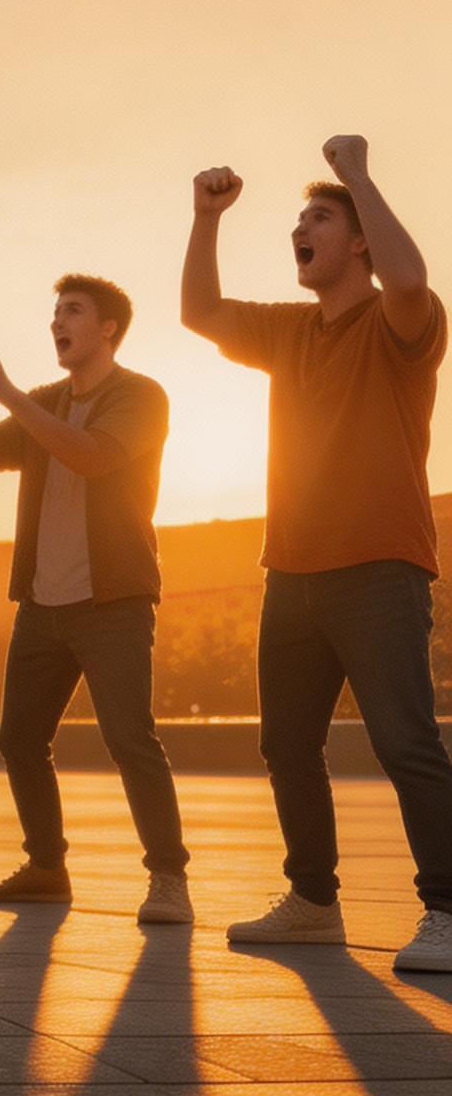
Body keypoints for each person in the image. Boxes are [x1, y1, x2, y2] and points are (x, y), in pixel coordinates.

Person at [182, 137, 452, 970]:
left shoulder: (401, 323)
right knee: (286, 745)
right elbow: (200, 313)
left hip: (379, 566)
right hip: (290, 572)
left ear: (359, 238)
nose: (301, 228)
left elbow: (410, 280)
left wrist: (360, 175)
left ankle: (446, 909)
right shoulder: (289, 331)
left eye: (320, 218)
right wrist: (204, 219)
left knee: (406, 742)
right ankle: (311, 901)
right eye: (299, 218)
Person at [0, 276, 191, 924]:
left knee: (130, 739)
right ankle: (47, 869)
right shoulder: (45, 402)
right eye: (54, 311)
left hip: (113, 601)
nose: (58, 320)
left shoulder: (140, 396)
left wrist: (6, 393)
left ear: (108, 328)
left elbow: (93, 456)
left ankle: (168, 879)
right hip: (42, 605)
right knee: (19, 740)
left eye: (73, 310)